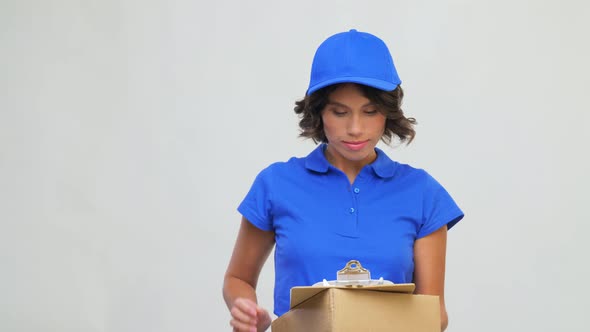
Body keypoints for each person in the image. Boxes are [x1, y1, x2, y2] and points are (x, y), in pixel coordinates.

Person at [223, 29, 464, 332]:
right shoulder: (276, 184)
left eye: (370, 111)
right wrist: (247, 311)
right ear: (319, 111)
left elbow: (434, 313)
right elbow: (238, 279)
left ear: (387, 114)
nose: (355, 128)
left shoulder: (422, 193)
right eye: (339, 112)